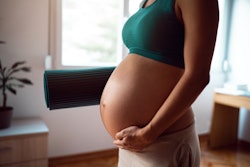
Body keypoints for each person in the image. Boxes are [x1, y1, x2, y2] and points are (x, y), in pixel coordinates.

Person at [100, 0, 219, 166]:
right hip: (131, 143)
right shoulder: (146, 2)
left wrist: (148, 133)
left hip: (161, 140)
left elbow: (198, 75)